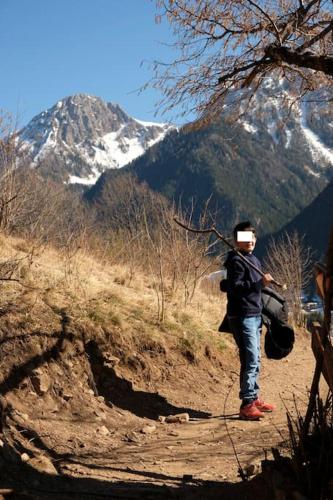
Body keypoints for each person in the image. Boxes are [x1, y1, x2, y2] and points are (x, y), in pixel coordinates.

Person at [224, 221, 274, 420]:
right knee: (250, 357)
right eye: (245, 238)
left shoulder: (254, 260)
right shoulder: (236, 261)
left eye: (252, 237)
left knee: (255, 358)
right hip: (242, 315)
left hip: (254, 314)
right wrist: (259, 284)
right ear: (237, 241)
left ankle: (253, 397)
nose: (250, 241)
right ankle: (247, 403)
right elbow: (235, 287)